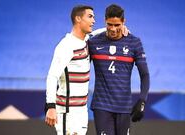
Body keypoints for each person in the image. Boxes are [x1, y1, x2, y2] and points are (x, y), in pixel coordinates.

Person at [88, 4, 150, 135]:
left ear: (124, 22)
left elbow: (144, 75)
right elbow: (80, 39)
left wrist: (142, 100)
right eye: (110, 24)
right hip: (102, 105)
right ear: (105, 21)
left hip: (124, 107)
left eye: (117, 25)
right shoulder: (93, 43)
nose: (113, 29)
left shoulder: (134, 42)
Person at [45, 5, 95, 135]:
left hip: (82, 111)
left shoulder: (85, 40)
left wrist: (118, 29)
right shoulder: (66, 46)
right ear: (78, 18)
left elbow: (97, 32)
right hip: (68, 112)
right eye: (90, 17)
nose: (93, 21)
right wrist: (50, 106)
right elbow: (52, 76)